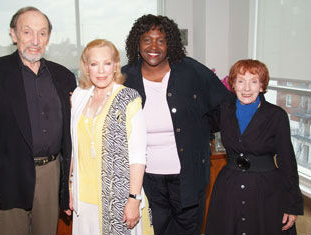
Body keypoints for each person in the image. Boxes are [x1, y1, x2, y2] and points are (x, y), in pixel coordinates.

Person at [122, 14, 231, 234]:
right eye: (147, 40)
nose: (154, 46)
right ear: (137, 43)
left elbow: (224, 104)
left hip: (188, 176)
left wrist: (199, 128)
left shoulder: (190, 70)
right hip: (147, 180)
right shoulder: (126, 76)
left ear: (170, 43)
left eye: (161, 40)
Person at [0, 6, 77, 235]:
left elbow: (72, 132)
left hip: (52, 174)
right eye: (27, 32)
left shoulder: (65, 77)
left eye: (42, 33)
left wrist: (68, 183)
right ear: (13, 34)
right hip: (7, 176)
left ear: (48, 37)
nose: (35, 40)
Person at [205, 59, 304, 234]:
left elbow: (287, 160)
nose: (247, 88)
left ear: (262, 86)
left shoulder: (276, 116)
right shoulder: (223, 110)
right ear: (233, 85)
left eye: (253, 81)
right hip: (229, 189)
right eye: (241, 81)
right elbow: (197, 125)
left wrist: (292, 205)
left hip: (267, 192)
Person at [67, 39, 153, 235]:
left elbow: (138, 156)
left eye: (107, 63)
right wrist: (68, 187)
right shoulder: (79, 96)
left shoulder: (129, 98)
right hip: (84, 200)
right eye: (94, 64)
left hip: (119, 199)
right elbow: (74, 147)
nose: (101, 70)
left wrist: (134, 199)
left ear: (115, 65)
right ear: (86, 68)